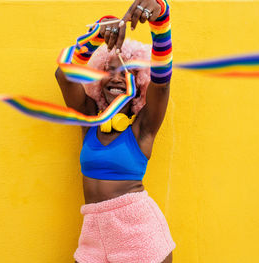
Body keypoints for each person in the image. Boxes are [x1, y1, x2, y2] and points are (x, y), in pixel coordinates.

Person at [55, 0, 175, 262]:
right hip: (94, 231)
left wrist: (161, 20)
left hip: (138, 232)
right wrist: (95, 37)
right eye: (110, 70)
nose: (117, 77)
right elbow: (64, 75)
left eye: (127, 72)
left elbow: (162, 83)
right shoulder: (89, 119)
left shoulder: (143, 127)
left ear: (140, 81)